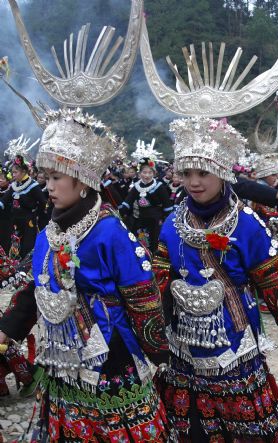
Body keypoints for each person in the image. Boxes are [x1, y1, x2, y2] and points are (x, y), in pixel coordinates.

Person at [0, 109, 175, 442]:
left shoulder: (110, 231)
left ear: (82, 181)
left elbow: (143, 297)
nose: (47, 185)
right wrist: (7, 331)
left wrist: (158, 353)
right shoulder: (46, 236)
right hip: (60, 361)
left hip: (110, 357)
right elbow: (37, 290)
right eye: (46, 177)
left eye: (56, 178)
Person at [153, 117, 278, 443]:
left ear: (222, 172)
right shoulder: (171, 223)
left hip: (234, 345)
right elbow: (158, 281)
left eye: (203, 173)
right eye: (187, 173)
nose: (193, 182)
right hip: (183, 348)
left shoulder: (246, 226)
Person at [120, 157, 173, 253]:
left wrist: (165, 220)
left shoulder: (159, 186)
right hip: (141, 221)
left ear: (154, 173)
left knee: (154, 246)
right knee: (141, 245)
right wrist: (120, 212)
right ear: (139, 174)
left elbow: (167, 205)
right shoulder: (136, 186)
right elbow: (128, 201)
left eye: (150, 173)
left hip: (156, 221)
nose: (147, 175)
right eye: (144, 172)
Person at [0, 155, 46, 258]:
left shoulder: (33, 186)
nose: (13, 175)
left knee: (27, 247)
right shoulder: (15, 185)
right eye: (12, 172)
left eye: (15, 172)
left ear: (24, 172)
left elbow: (43, 203)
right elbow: (4, 199)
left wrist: (37, 215)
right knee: (14, 247)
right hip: (16, 222)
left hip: (28, 223)